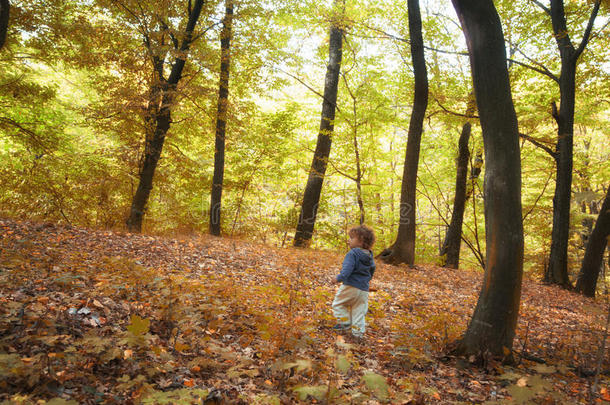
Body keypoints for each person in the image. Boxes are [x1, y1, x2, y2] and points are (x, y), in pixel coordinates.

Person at [331, 225, 376, 338]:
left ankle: (345, 322)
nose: (348, 240)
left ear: (361, 241)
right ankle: (358, 335)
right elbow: (372, 269)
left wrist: (338, 278)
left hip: (350, 286)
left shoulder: (353, 253)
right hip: (363, 290)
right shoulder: (370, 255)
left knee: (338, 304)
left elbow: (347, 269)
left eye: (351, 238)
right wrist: (366, 280)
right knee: (359, 312)